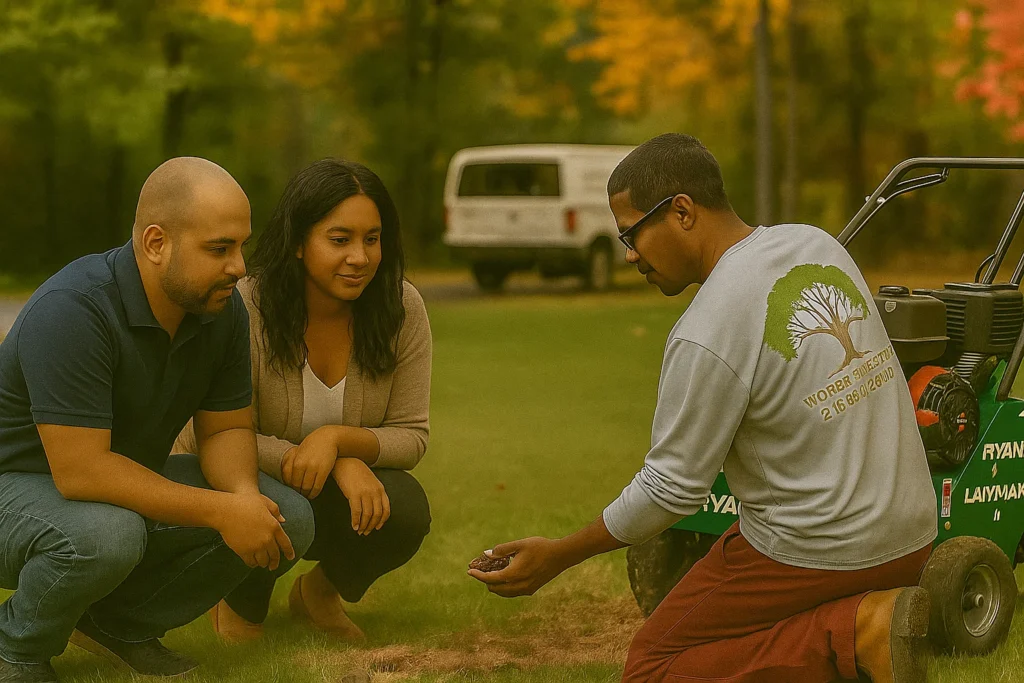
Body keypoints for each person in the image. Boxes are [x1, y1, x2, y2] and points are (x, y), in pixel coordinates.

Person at [469, 134, 937, 683]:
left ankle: (860, 630)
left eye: (631, 233)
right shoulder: (817, 245)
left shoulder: (707, 328)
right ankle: (874, 611)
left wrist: (560, 554)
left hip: (819, 552)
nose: (628, 254)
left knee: (652, 667)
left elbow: (671, 490)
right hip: (914, 538)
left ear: (682, 211)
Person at [0, 158, 315, 683]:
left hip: (98, 489)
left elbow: (226, 429)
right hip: (18, 489)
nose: (240, 267)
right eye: (219, 249)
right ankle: (15, 645)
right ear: (155, 243)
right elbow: (83, 472)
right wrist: (219, 512)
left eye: (241, 245)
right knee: (107, 534)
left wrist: (240, 499)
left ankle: (118, 625)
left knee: (286, 516)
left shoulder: (220, 310)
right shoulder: (73, 309)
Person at [175, 158, 432, 642]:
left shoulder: (403, 308)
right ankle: (240, 604)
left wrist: (338, 441)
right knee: (280, 507)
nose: (360, 256)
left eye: (372, 239)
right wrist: (333, 461)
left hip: (317, 487)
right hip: (235, 481)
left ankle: (319, 595)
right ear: (298, 242)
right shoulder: (245, 307)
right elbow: (212, 433)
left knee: (405, 508)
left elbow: (412, 435)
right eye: (340, 240)